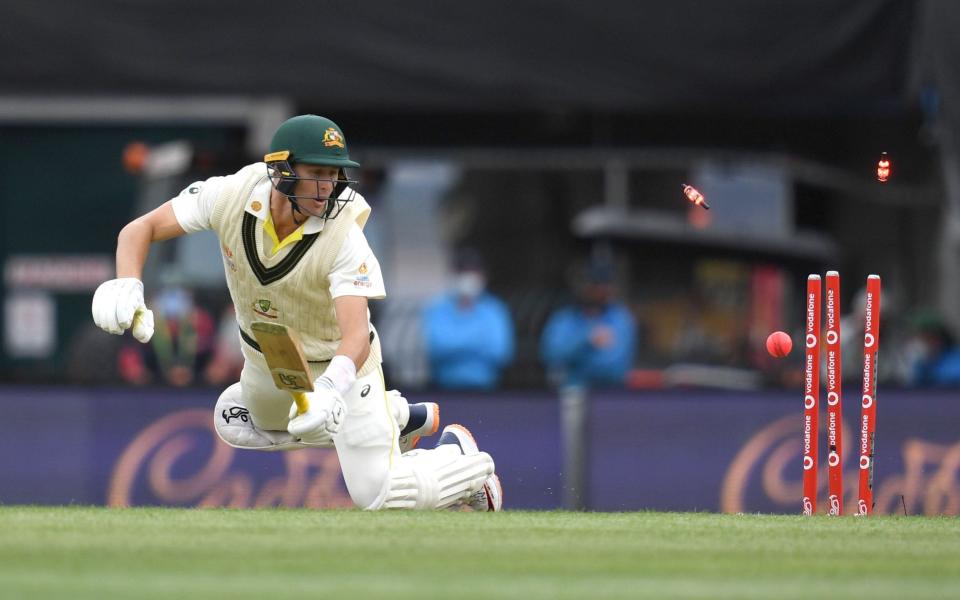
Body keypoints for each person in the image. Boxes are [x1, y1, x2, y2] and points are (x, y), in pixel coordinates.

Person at [92, 115, 500, 511]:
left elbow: (356, 336)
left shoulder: (344, 237)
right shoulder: (231, 195)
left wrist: (328, 391)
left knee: (378, 496)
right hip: (267, 363)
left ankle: (459, 459)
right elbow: (138, 229)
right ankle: (392, 416)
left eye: (334, 174)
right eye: (317, 172)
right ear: (282, 171)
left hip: (340, 366)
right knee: (231, 420)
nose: (327, 187)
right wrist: (127, 282)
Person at [422, 248, 515, 390]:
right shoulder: (437, 310)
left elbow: (501, 352)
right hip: (443, 391)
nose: (468, 278)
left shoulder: (494, 310)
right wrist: (478, 341)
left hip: (488, 391)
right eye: (463, 272)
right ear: (453, 275)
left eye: (473, 272)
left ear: (483, 276)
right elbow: (435, 349)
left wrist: (454, 342)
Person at [540, 260, 636, 388]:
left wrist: (574, 365)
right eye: (592, 284)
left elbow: (614, 367)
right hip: (571, 391)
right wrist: (587, 341)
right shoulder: (564, 318)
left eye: (603, 284)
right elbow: (550, 355)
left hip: (611, 395)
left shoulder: (621, 318)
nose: (597, 290)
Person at [904, 310, 960, 387]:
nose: (925, 342)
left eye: (929, 337)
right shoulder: (921, 364)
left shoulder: (955, 359)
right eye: (922, 337)